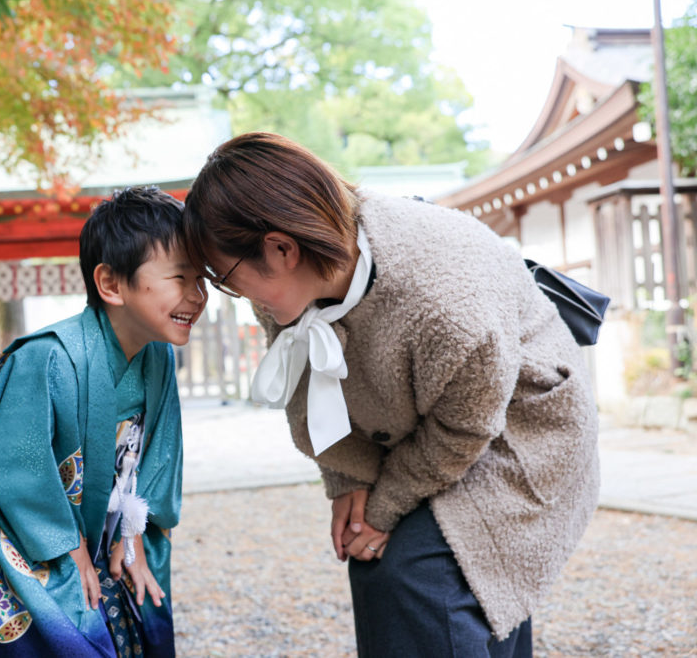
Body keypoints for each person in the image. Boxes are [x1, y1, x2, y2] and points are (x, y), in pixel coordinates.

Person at [181, 132, 600, 657]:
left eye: (225, 276)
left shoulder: (447, 300)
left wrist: (382, 508)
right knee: (406, 569)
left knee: (415, 571)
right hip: (428, 426)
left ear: (281, 248)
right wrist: (348, 475)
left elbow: (464, 428)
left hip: (520, 430)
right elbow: (305, 383)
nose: (229, 290)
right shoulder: (287, 280)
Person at [0, 186, 208, 657]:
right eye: (180, 277)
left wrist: (134, 535)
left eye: (201, 279)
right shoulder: (46, 358)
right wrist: (69, 546)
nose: (198, 295)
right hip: (50, 543)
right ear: (110, 284)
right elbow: (11, 469)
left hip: (114, 537)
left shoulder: (159, 355)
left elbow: (161, 454)